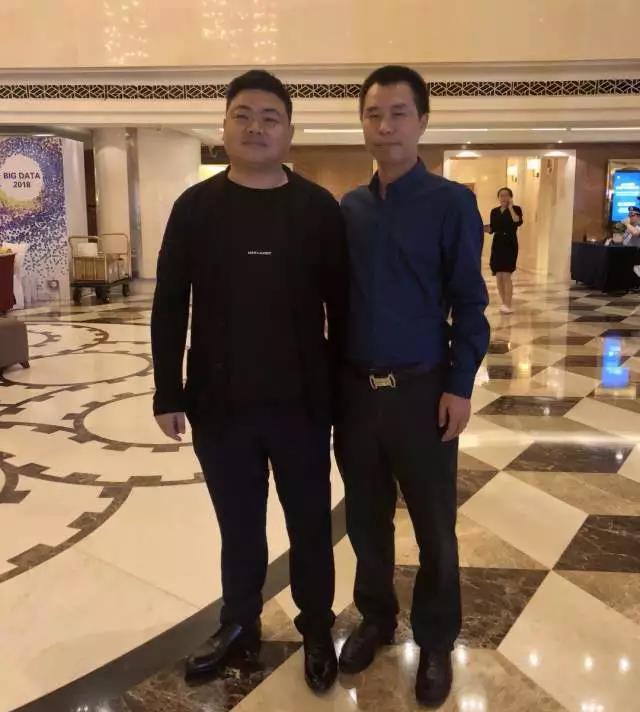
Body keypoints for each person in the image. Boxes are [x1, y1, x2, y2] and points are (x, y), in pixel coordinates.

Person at [150, 70, 349, 693]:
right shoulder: (195, 208)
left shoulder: (317, 208)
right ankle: (239, 624)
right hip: (220, 404)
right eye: (243, 115)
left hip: (301, 406)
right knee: (238, 526)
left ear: (289, 131)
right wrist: (167, 390)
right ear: (224, 126)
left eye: (270, 117)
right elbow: (169, 303)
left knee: (310, 526)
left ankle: (317, 628)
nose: (256, 127)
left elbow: (343, 309)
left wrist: (340, 394)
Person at [335, 65, 489, 708]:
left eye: (399, 112)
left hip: (423, 393)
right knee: (366, 521)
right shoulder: (350, 208)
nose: (386, 125)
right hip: (356, 394)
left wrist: (460, 385)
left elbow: (470, 303)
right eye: (373, 113)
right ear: (362, 124)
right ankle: (376, 616)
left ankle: (435, 639)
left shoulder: (451, 203)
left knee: (434, 528)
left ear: (422, 121)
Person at [488, 187, 523, 314]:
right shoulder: (494, 211)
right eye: (501, 195)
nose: (503, 197)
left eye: (506, 195)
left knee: (506, 274)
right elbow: (492, 228)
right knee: (499, 275)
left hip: (510, 243)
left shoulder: (516, 209)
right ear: (498, 197)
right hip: (497, 244)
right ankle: (504, 303)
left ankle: (508, 304)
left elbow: (517, 221)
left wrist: (511, 207)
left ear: (510, 197)